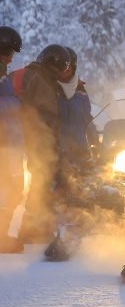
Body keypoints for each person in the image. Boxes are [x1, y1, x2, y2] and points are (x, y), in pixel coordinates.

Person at [11, 44, 70, 243]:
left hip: (34, 136)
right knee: (39, 181)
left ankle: (34, 227)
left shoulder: (43, 79)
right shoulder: (33, 76)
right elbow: (15, 101)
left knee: (41, 181)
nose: (62, 73)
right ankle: (29, 229)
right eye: (61, 68)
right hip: (32, 136)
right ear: (53, 64)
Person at [0, 26, 24, 252]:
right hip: (4, 143)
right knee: (8, 189)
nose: (10, 58)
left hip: (10, 141)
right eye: (9, 52)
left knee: (13, 188)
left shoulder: (3, 76)